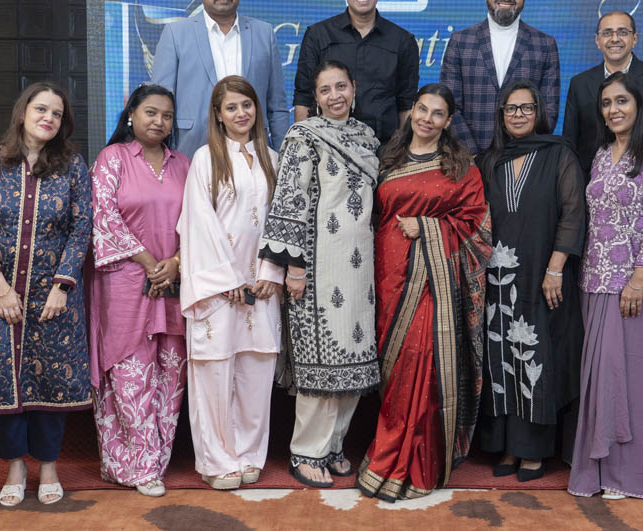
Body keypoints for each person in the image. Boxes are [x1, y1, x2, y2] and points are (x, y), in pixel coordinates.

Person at [0, 82, 92, 507]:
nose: (48, 118)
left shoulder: (72, 166)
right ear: (23, 112)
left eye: (56, 113)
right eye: (41, 109)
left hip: (53, 298)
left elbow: (81, 228)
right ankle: (15, 467)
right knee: (6, 383)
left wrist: (62, 286)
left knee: (50, 382)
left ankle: (48, 467)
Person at [356, 84, 492, 501]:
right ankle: (387, 455)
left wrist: (428, 226)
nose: (427, 119)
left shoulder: (461, 167)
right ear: (411, 110)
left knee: (421, 366)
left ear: (448, 122)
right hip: (385, 277)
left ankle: (415, 465)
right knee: (393, 370)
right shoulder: (387, 158)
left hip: (433, 284)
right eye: (422, 109)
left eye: (437, 113)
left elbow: (477, 225)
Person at [260, 59, 381, 488]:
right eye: (325, 90)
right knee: (321, 363)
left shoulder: (367, 137)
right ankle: (306, 451)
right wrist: (294, 267)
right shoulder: (303, 136)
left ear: (354, 88)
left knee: (353, 360)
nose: (335, 96)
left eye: (341, 86)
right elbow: (289, 201)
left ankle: (334, 446)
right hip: (316, 267)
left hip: (360, 267)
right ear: (315, 98)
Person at [567, 72, 643, 500]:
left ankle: (625, 475)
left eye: (621, 101)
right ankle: (595, 470)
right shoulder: (600, 155)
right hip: (593, 281)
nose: (613, 109)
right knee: (598, 377)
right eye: (606, 103)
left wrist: (640, 276)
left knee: (627, 377)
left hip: (633, 285)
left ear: (638, 105)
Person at [176, 75, 285, 490]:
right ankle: (217, 460)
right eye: (232, 107)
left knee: (257, 373)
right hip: (218, 288)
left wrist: (271, 273)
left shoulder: (272, 158)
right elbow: (198, 222)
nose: (241, 113)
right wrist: (227, 278)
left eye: (247, 105)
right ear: (218, 115)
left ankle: (249, 454)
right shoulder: (206, 158)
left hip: (262, 287)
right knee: (215, 375)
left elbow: (282, 223)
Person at [476, 81, 585, 482]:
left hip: (543, 275)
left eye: (526, 108)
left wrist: (556, 268)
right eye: (511, 108)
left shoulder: (559, 154)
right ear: (501, 115)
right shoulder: (489, 160)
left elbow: (573, 213)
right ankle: (507, 446)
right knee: (499, 355)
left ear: (538, 112)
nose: (518, 115)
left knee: (536, 354)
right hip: (498, 277)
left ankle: (533, 452)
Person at [88, 83, 190, 497]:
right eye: (151, 112)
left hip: (174, 283)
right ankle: (132, 465)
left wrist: (176, 262)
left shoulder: (183, 164)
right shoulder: (112, 158)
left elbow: (199, 221)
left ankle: (155, 462)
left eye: (167, 115)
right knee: (130, 373)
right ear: (131, 114)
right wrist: (149, 262)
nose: (159, 121)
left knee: (170, 372)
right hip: (125, 282)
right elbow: (104, 216)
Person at [151, 0, 289, 157]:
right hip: (191, 150)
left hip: (253, 152)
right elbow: (159, 102)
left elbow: (276, 105)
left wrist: (284, 158)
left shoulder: (264, 33)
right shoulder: (175, 33)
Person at [292, 0, 419, 144]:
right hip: (328, 146)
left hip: (384, 148)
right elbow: (303, 96)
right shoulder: (318, 35)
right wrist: (302, 145)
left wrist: (402, 151)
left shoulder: (402, 41)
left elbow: (406, 103)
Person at [440, 0, 560, 154]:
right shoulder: (460, 41)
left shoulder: (544, 45)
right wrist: (473, 156)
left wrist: (521, 154)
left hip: (524, 157)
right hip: (469, 159)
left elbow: (548, 111)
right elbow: (449, 106)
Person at [562, 10, 643, 175]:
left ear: (635, 39)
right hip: (591, 180)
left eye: (623, 32)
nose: (615, 39)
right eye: (607, 33)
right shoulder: (579, 83)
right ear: (597, 40)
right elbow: (570, 141)